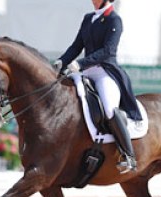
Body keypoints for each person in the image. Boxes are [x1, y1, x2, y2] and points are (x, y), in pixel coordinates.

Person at [54, 0, 142, 173]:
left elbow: (108, 51)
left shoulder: (114, 19)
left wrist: (80, 63)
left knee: (109, 108)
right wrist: (61, 61)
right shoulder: (88, 18)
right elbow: (76, 46)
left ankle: (128, 155)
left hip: (104, 71)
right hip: (85, 71)